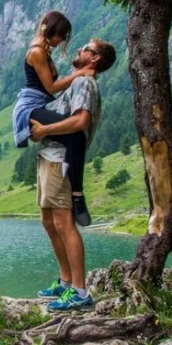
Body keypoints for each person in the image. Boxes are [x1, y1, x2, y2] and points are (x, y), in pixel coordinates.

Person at [30, 38, 116, 311]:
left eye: (86, 49)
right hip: (50, 157)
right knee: (49, 221)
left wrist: (43, 130)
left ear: (95, 60)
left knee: (64, 223)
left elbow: (81, 121)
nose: (79, 50)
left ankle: (79, 291)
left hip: (60, 161)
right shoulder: (77, 81)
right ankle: (66, 281)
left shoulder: (84, 83)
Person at [12, 11, 95, 225]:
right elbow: (51, 86)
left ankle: (72, 190)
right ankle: (77, 196)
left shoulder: (44, 49)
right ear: (51, 31)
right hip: (31, 106)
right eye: (61, 35)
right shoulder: (37, 52)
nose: (61, 41)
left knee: (75, 137)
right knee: (76, 137)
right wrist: (80, 73)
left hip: (42, 102)